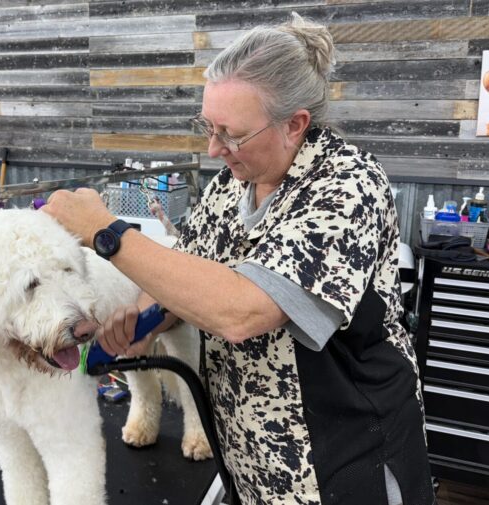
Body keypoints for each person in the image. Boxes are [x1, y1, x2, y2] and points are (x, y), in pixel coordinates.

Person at [43, 13, 435, 505]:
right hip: (250, 463)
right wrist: (144, 318)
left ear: (294, 125)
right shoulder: (232, 186)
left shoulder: (347, 187)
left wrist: (107, 232)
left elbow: (243, 311)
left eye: (231, 134)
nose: (214, 149)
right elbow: (186, 267)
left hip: (345, 461)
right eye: (208, 127)